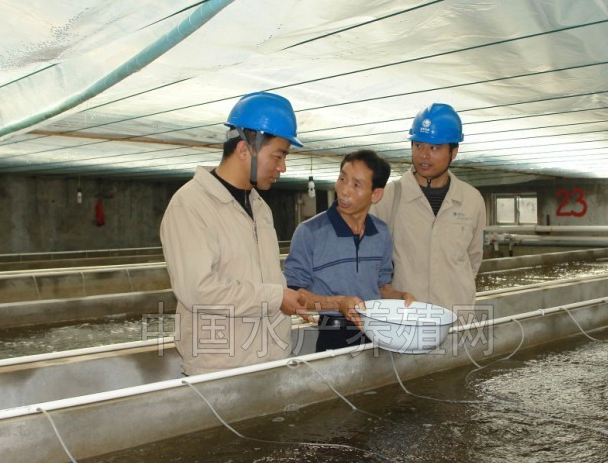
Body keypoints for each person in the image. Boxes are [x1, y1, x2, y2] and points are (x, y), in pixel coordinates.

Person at [160, 92, 307, 376]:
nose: (283, 167)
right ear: (244, 150)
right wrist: (275, 297)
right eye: (278, 155)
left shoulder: (259, 207)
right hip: (222, 369)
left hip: (271, 357)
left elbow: (264, 277)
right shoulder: (191, 205)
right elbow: (198, 290)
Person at [283, 149, 415, 352]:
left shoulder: (380, 232)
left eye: (356, 185)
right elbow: (295, 296)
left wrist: (399, 297)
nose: (344, 190)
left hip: (377, 331)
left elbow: (381, 286)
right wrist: (337, 304)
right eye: (342, 179)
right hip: (333, 333)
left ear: (376, 194)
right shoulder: (310, 232)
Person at [370, 103, 486, 314]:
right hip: (404, 320)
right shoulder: (388, 197)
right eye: (418, 145)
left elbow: (473, 259)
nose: (424, 155)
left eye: (434, 148)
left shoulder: (471, 200)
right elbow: (369, 257)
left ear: (453, 152)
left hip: (455, 319)